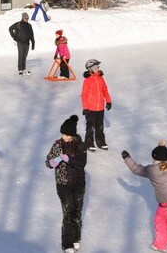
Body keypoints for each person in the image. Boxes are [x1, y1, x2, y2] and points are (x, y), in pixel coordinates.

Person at [122, 137, 167, 252]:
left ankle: (160, 245)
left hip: (165, 201)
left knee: (160, 220)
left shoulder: (152, 170)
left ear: (155, 157)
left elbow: (136, 169)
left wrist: (127, 158)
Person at [45, 115, 88, 253]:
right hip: (63, 183)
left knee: (77, 211)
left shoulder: (81, 145)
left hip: (79, 182)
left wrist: (68, 159)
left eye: (65, 134)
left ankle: (76, 238)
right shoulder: (58, 144)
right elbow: (48, 162)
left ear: (72, 134)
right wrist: (54, 161)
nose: (63, 136)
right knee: (68, 211)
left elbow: (82, 163)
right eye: (62, 134)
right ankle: (67, 243)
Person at [81, 59, 112, 152]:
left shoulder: (100, 78)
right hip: (91, 109)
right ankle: (89, 144)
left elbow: (105, 91)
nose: (98, 69)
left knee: (100, 126)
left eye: (98, 67)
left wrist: (108, 101)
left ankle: (101, 142)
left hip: (100, 108)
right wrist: (85, 107)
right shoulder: (87, 80)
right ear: (90, 69)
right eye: (96, 68)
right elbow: (84, 95)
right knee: (90, 127)